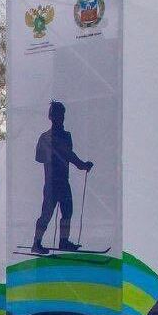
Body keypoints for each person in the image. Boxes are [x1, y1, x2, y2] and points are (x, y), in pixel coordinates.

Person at [32, 101, 93, 254]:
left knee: (67, 211)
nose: (60, 118)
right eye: (57, 115)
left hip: (63, 182)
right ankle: (36, 243)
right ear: (51, 116)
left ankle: (63, 242)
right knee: (46, 214)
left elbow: (70, 155)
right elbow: (38, 157)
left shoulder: (66, 136)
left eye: (62, 115)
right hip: (51, 183)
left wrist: (82, 165)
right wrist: (51, 153)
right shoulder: (45, 137)